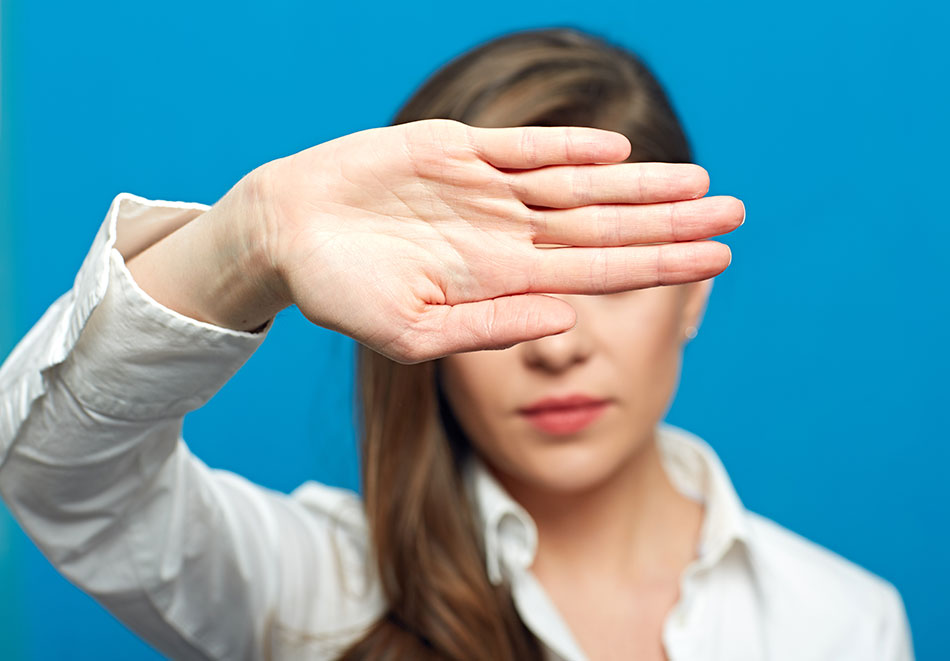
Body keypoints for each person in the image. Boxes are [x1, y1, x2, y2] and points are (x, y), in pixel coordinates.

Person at [0, 26, 912, 661]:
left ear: (691, 294)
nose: (557, 345)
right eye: (507, 284)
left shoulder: (844, 622)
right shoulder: (319, 591)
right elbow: (60, 475)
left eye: (609, 276)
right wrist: (253, 239)